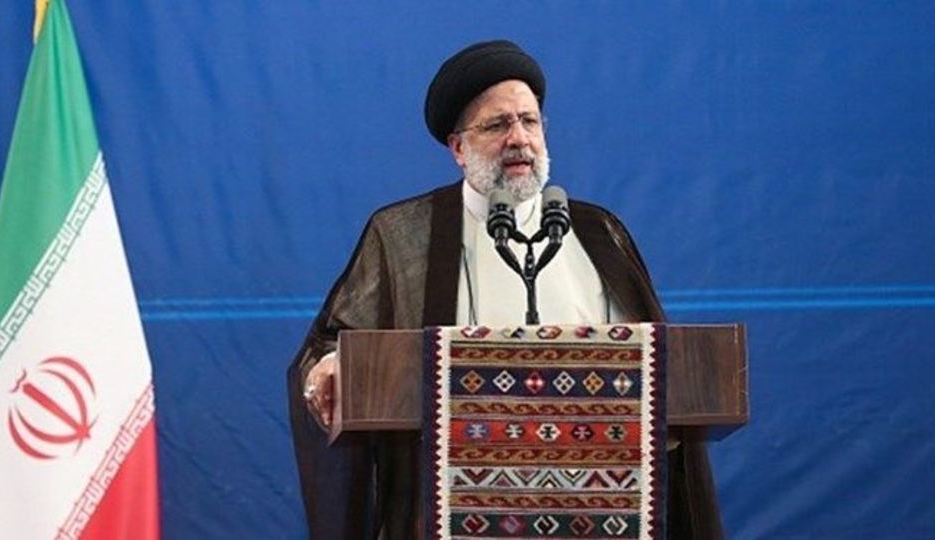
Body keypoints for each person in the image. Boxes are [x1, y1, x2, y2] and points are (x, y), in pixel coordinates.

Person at [288, 39, 723, 539]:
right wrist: (331, 365)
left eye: (529, 122)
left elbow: (658, 365)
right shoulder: (405, 235)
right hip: (451, 516)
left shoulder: (600, 234)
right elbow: (330, 345)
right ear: (458, 148)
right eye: (497, 125)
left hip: (595, 516)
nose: (519, 139)